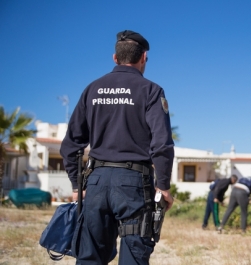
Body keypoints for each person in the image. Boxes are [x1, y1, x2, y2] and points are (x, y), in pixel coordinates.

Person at [60, 30, 175, 265]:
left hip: (96, 182)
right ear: (144, 57)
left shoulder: (92, 89)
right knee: (134, 257)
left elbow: (71, 144)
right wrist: (163, 186)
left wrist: (76, 184)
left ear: (115, 58)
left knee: (89, 257)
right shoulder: (151, 91)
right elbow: (161, 144)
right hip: (134, 183)